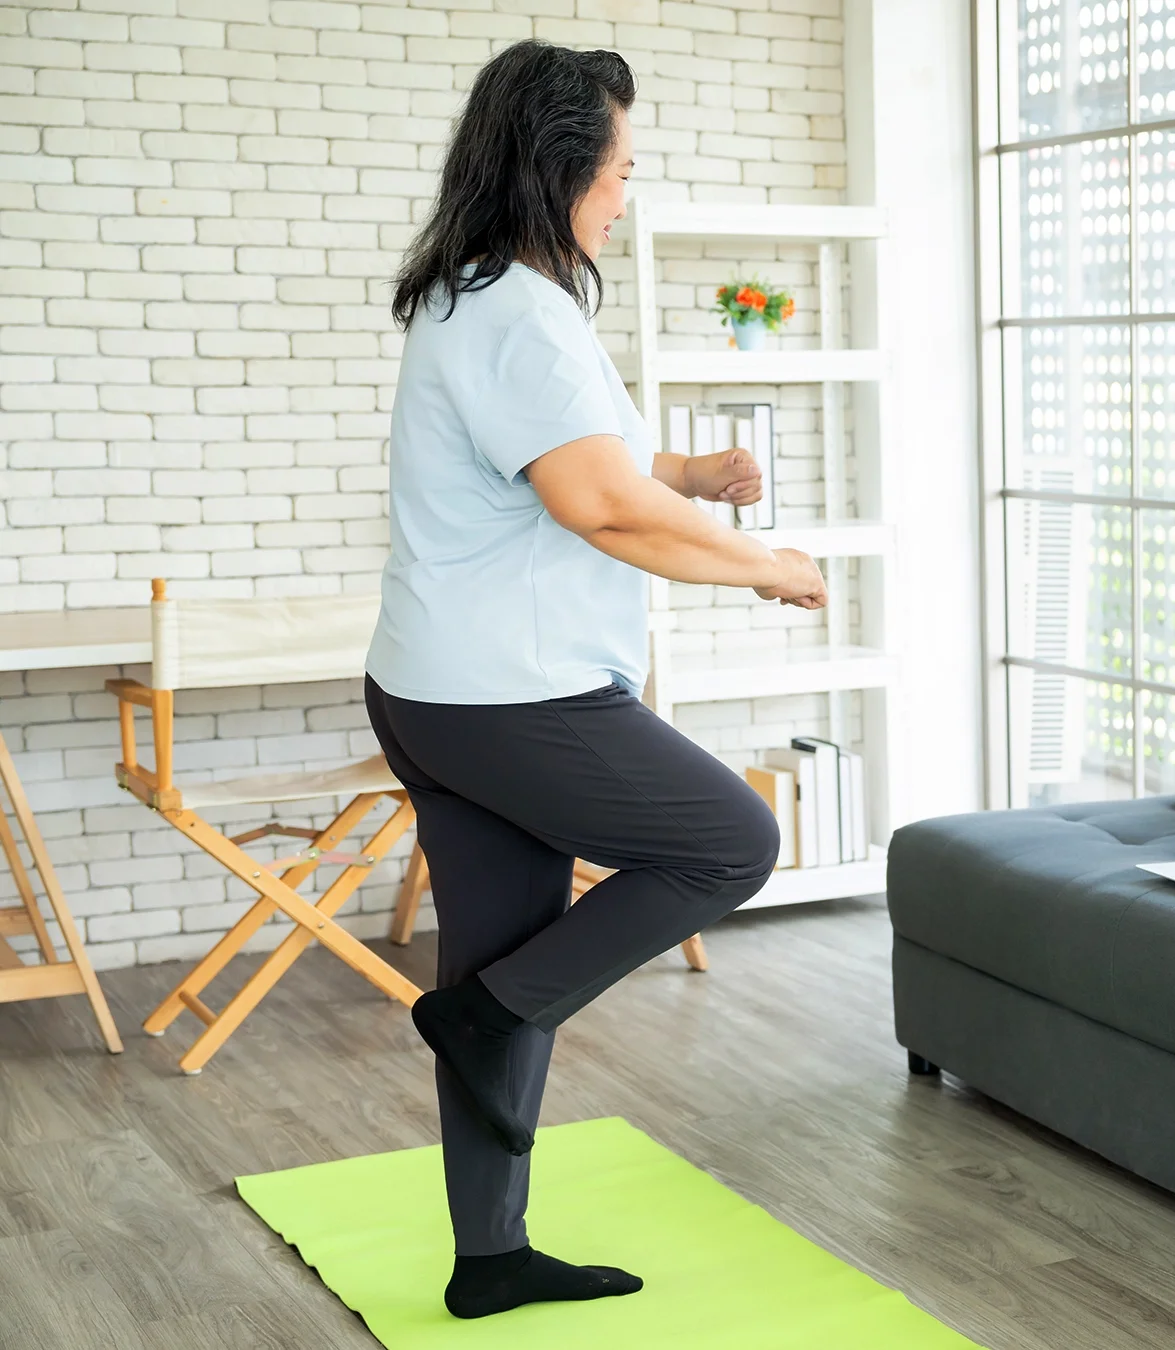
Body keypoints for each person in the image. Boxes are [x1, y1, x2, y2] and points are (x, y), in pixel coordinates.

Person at [365, 39, 826, 1320]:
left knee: (505, 962)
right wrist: (759, 564)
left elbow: (592, 471)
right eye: (620, 169)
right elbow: (595, 514)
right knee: (732, 841)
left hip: (437, 687)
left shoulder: (481, 292)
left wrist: (688, 475)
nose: (625, 194)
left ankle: (490, 1255)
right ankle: (486, 1018)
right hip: (514, 695)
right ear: (562, 165)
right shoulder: (521, 313)